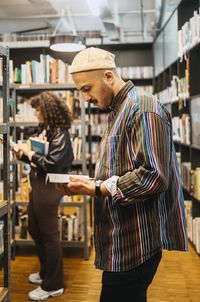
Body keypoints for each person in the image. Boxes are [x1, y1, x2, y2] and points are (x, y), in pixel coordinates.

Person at [56, 47, 188, 302]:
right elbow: (119, 171)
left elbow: (154, 176)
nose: (85, 98)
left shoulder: (142, 108)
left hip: (134, 245)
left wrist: (97, 189)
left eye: (87, 89)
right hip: (119, 242)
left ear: (108, 76)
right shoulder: (118, 110)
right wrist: (91, 183)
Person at [12, 91, 74, 301]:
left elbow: (53, 164)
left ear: (47, 110)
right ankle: (46, 272)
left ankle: (53, 284)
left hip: (50, 186)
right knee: (34, 228)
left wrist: (29, 154)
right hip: (38, 183)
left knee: (49, 235)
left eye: (38, 109)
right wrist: (22, 155)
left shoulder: (60, 133)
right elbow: (39, 161)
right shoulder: (46, 130)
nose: (36, 112)